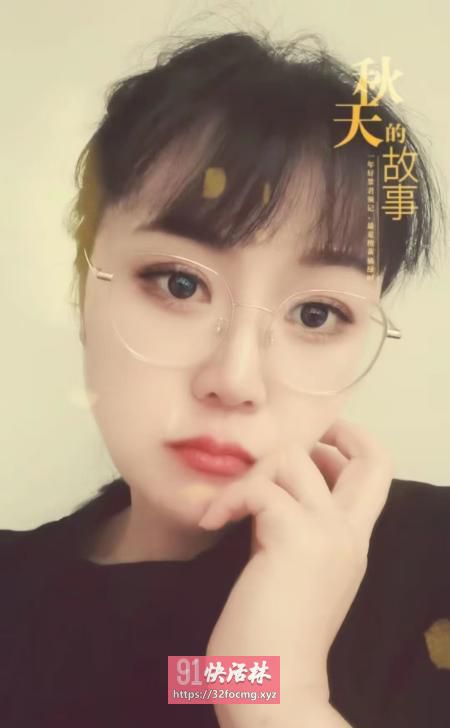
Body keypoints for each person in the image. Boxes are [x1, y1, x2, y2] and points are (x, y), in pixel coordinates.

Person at [1, 28, 449, 728]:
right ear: (82, 289)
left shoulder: (431, 562)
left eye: (316, 313)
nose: (236, 380)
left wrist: (277, 693)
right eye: (180, 283)